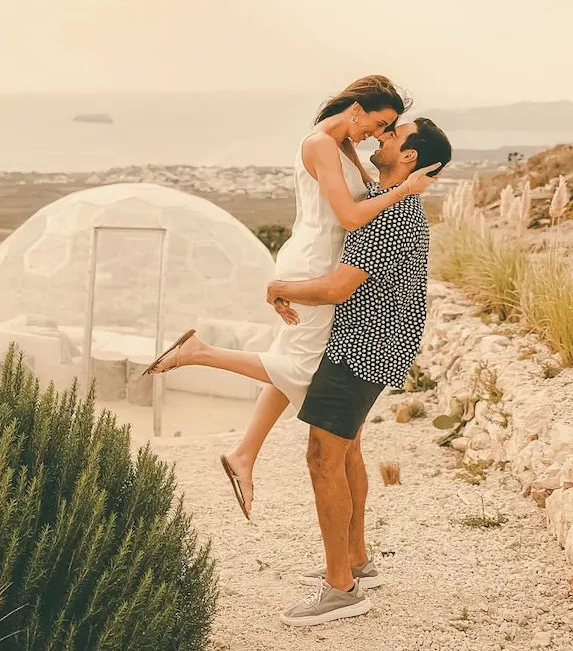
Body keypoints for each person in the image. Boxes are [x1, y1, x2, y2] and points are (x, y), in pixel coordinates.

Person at [144, 76, 438, 518]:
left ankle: (244, 455)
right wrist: (406, 190)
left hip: (321, 260)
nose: (378, 135)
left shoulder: (344, 146)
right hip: (315, 264)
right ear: (357, 109)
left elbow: (364, 202)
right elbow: (351, 215)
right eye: (380, 124)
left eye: (387, 130)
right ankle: (197, 353)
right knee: (303, 368)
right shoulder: (321, 143)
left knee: (299, 361)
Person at [267, 117, 452, 626]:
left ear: (410, 156)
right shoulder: (391, 199)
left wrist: (280, 287)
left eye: (392, 135)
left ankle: (341, 589)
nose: (380, 138)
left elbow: (337, 288)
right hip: (372, 343)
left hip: (362, 347)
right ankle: (355, 561)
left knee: (322, 457)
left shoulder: (391, 216)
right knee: (346, 449)